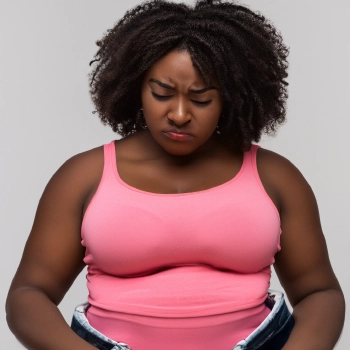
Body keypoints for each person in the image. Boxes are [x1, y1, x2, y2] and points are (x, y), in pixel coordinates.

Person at [6, 0, 345, 349]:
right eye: (162, 93)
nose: (180, 114)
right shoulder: (82, 177)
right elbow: (29, 295)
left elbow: (319, 293)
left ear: (230, 97)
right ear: (136, 87)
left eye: (200, 99)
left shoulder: (276, 177)